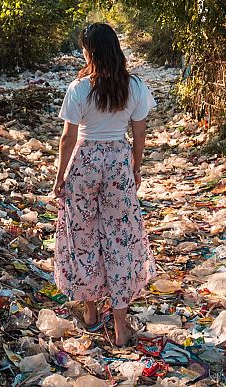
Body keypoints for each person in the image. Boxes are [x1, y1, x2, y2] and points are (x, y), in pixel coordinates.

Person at [53, 22, 157, 346]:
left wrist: (59, 177)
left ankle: (90, 313)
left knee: (82, 237)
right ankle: (121, 327)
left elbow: (68, 137)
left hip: (84, 164)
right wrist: (136, 168)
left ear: (91, 51)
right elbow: (139, 135)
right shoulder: (135, 86)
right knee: (119, 240)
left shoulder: (79, 88)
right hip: (117, 161)